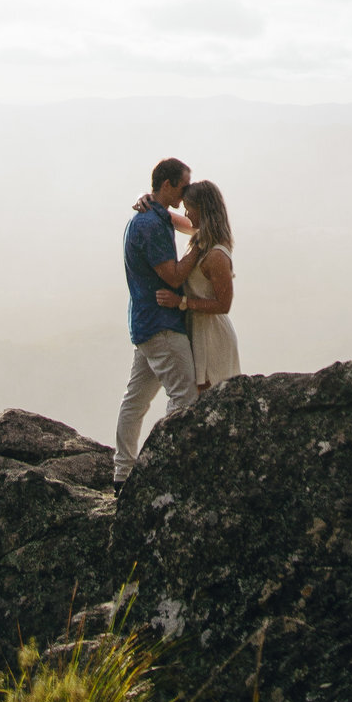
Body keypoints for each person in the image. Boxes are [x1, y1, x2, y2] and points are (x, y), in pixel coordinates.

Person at [114, 156, 203, 488]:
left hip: (145, 324)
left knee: (135, 401)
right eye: (183, 187)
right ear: (167, 185)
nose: (186, 193)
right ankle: (163, 473)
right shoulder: (150, 225)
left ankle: (122, 475)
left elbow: (192, 225)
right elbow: (174, 276)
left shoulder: (155, 215)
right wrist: (200, 247)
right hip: (162, 324)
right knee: (185, 397)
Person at [157, 178, 240, 391]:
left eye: (189, 209)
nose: (186, 214)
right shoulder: (201, 238)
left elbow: (223, 305)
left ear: (201, 209)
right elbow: (169, 218)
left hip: (212, 336)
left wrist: (181, 302)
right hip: (198, 330)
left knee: (210, 400)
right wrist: (145, 199)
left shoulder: (216, 255)